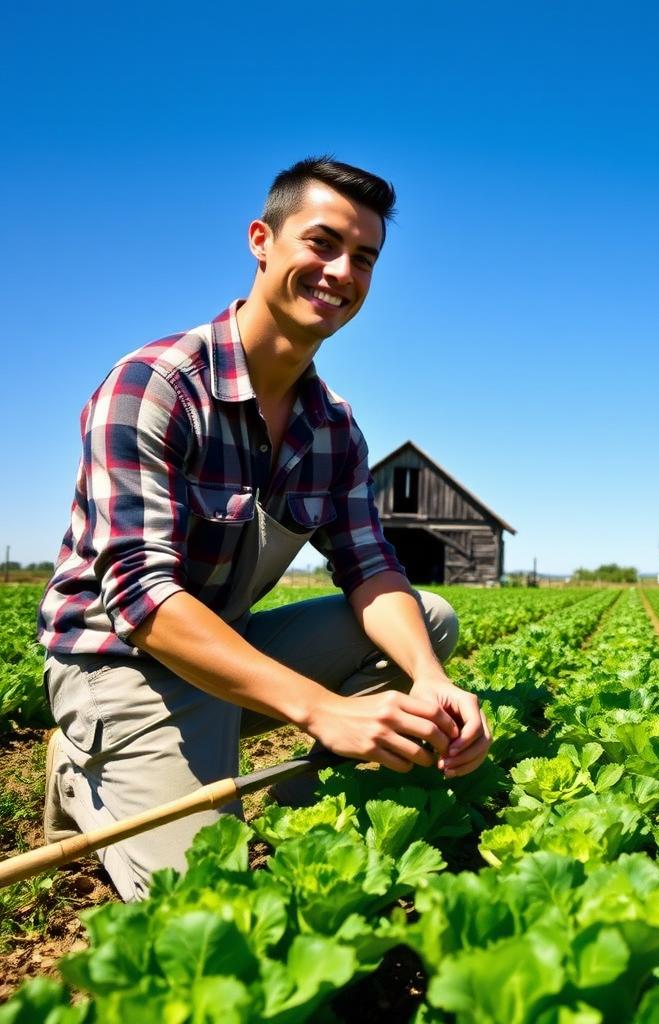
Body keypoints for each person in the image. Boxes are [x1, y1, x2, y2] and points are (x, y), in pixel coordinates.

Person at [37, 156, 491, 901]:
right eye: (322, 243)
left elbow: (372, 568)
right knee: (200, 898)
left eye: (365, 258)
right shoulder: (153, 387)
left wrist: (432, 682)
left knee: (428, 624)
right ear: (261, 240)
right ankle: (83, 771)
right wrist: (323, 709)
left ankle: (289, 814)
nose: (341, 271)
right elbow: (144, 600)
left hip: (226, 649)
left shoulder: (332, 427)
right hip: (120, 662)